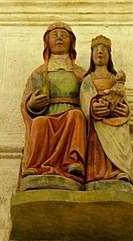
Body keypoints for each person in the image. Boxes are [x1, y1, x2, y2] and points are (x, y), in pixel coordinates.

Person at [20, 22, 87, 185]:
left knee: (76, 116)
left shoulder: (81, 73)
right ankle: (35, 166)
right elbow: (25, 103)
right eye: (54, 36)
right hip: (47, 114)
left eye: (64, 36)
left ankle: (73, 162)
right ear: (47, 42)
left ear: (71, 42)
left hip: (71, 115)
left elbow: (90, 97)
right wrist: (32, 105)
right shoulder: (38, 73)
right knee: (39, 123)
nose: (59, 39)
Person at [80, 35, 133, 184]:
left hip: (115, 118)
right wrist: (93, 107)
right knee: (96, 139)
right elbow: (84, 99)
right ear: (91, 55)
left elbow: (124, 100)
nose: (100, 52)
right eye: (96, 50)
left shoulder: (116, 78)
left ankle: (119, 171)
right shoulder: (88, 79)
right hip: (98, 119)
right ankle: (96, 175)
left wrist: (125, 111)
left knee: (120, 137)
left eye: (104, 50)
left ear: (109, 56)